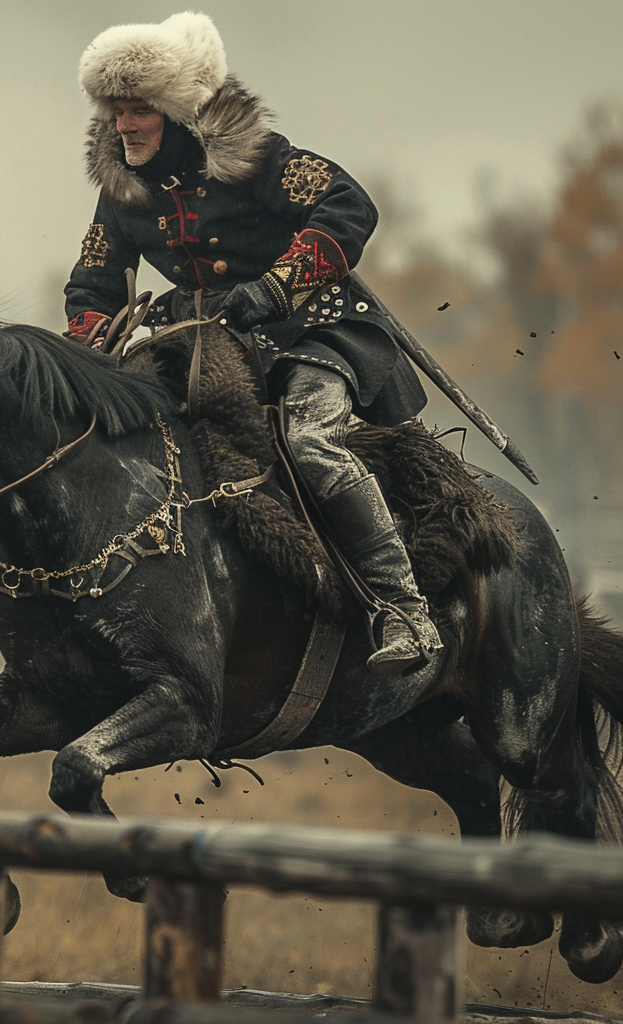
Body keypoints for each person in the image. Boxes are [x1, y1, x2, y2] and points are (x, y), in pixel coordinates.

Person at [64, 13, 441, 675]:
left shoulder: (255, 155)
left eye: (138, 112)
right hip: (206, 347)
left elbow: (351, 206)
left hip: (313, 330)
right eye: (115, 112)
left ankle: (403, 609)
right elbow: (92, 288)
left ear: (176, 113)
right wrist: (96, 346)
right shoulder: (120, 191)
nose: (123, 127)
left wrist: (274, 287)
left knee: (309, 441)